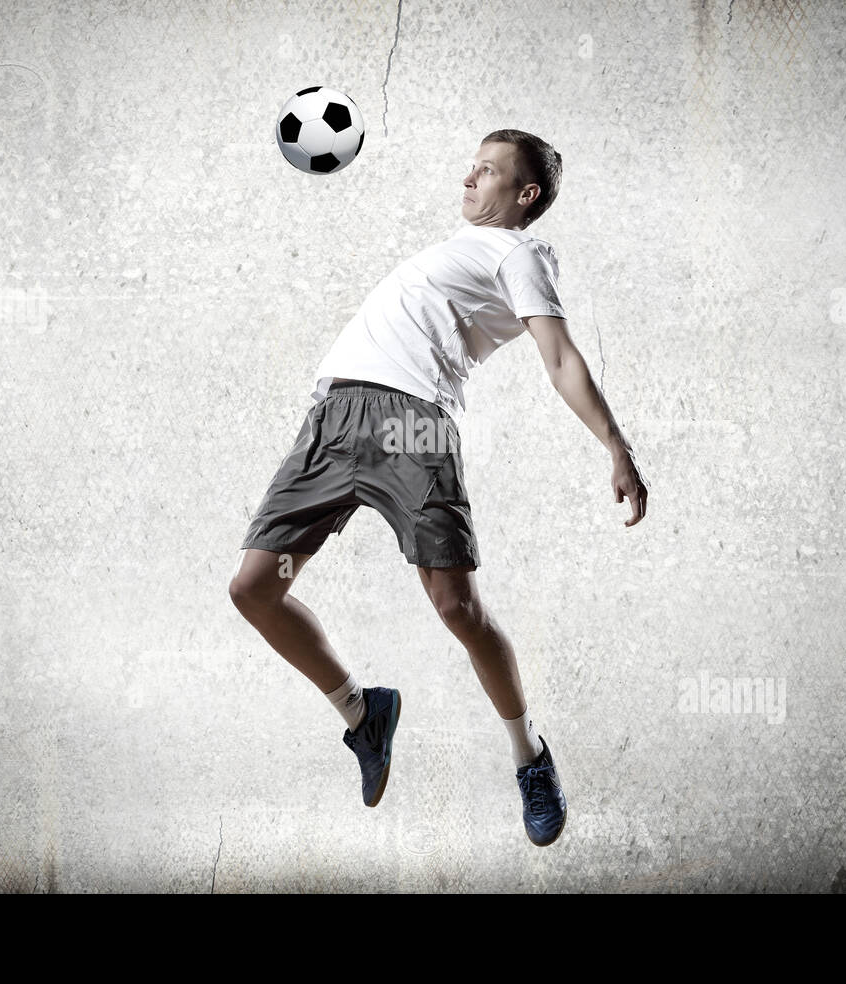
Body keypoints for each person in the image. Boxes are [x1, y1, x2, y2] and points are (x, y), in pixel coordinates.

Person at [230, 128, 648, 847]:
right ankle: (364, 715)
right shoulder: (459, 249)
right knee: (254, 589)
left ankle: (530, 759)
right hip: (334, 418)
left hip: (411, 424)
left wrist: (616, 445)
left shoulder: (520, 253)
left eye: (487, 171)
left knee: (456, 607)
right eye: (471, 165)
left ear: (525, 194)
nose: (469, 177)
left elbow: (560, 357)